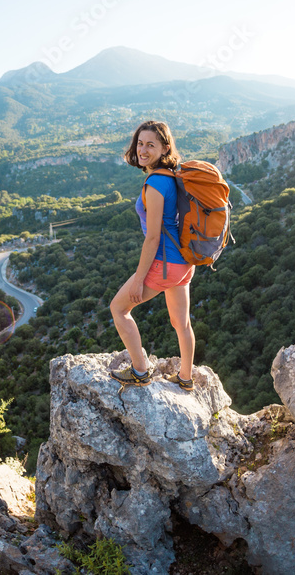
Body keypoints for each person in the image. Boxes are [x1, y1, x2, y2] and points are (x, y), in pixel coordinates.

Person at [109, 120, 195, 392]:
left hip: (164, 263)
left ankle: (140, 371)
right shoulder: (173, 176)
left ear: (165, 148)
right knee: (182, 323)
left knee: (119, 309)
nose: (143, 150)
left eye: (151, 145)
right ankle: (186, 378)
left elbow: (153, 237)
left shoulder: (156, 183)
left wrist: (139, 279)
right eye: (140, 143)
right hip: (184, 263)